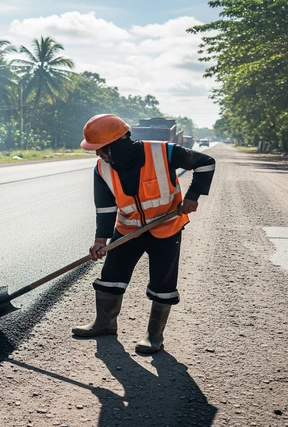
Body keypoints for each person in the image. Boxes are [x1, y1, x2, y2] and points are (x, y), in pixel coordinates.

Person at [71, 114, 216, 353]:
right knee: (110, 275)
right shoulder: (102, 168)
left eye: (100, 149)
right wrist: (100, 240)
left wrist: (192, 197)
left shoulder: (163, 152)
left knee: (162, 280)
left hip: (166, 227)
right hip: (128, 228)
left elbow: (206, 163)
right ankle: (104, 323)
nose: (98, 155)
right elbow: (106, 207)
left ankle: (154, 335)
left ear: (115, 144)